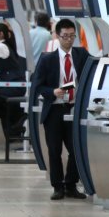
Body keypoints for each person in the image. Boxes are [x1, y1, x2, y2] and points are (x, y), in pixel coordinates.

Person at [30, 19, 89, 200]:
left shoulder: (81, 54)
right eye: (65, 36)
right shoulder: (47, 59)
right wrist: (52, 92)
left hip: (73, 109)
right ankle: (57, 186)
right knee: (54, 150)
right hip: (54, 110)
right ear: (57, 36)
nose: (69, 40)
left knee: (75, 148)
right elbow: (37, 86)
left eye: (72, 36)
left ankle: (71, 183)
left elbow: (95, 67)